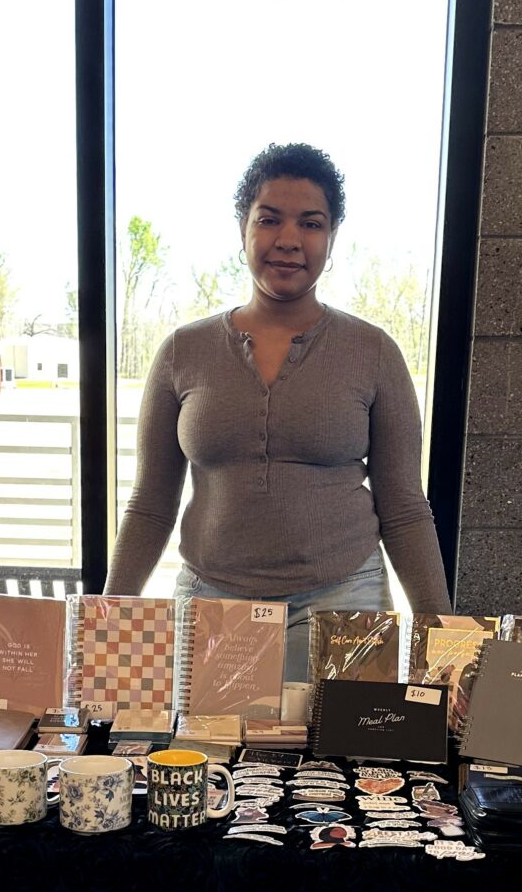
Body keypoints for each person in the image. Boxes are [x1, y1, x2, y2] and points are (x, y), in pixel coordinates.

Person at [104, 141, 452, 679]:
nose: (288, 240)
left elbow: (404, 507)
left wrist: (443, 636)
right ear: (243, 229)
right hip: (213, 601)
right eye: (269, 220)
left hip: (346, 599)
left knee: (349, 758)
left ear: (331, 238)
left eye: (311, 224)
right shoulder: (183, 351)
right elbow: (151, 504)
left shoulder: (374, 352)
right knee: (212, 758)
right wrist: (104, 620)